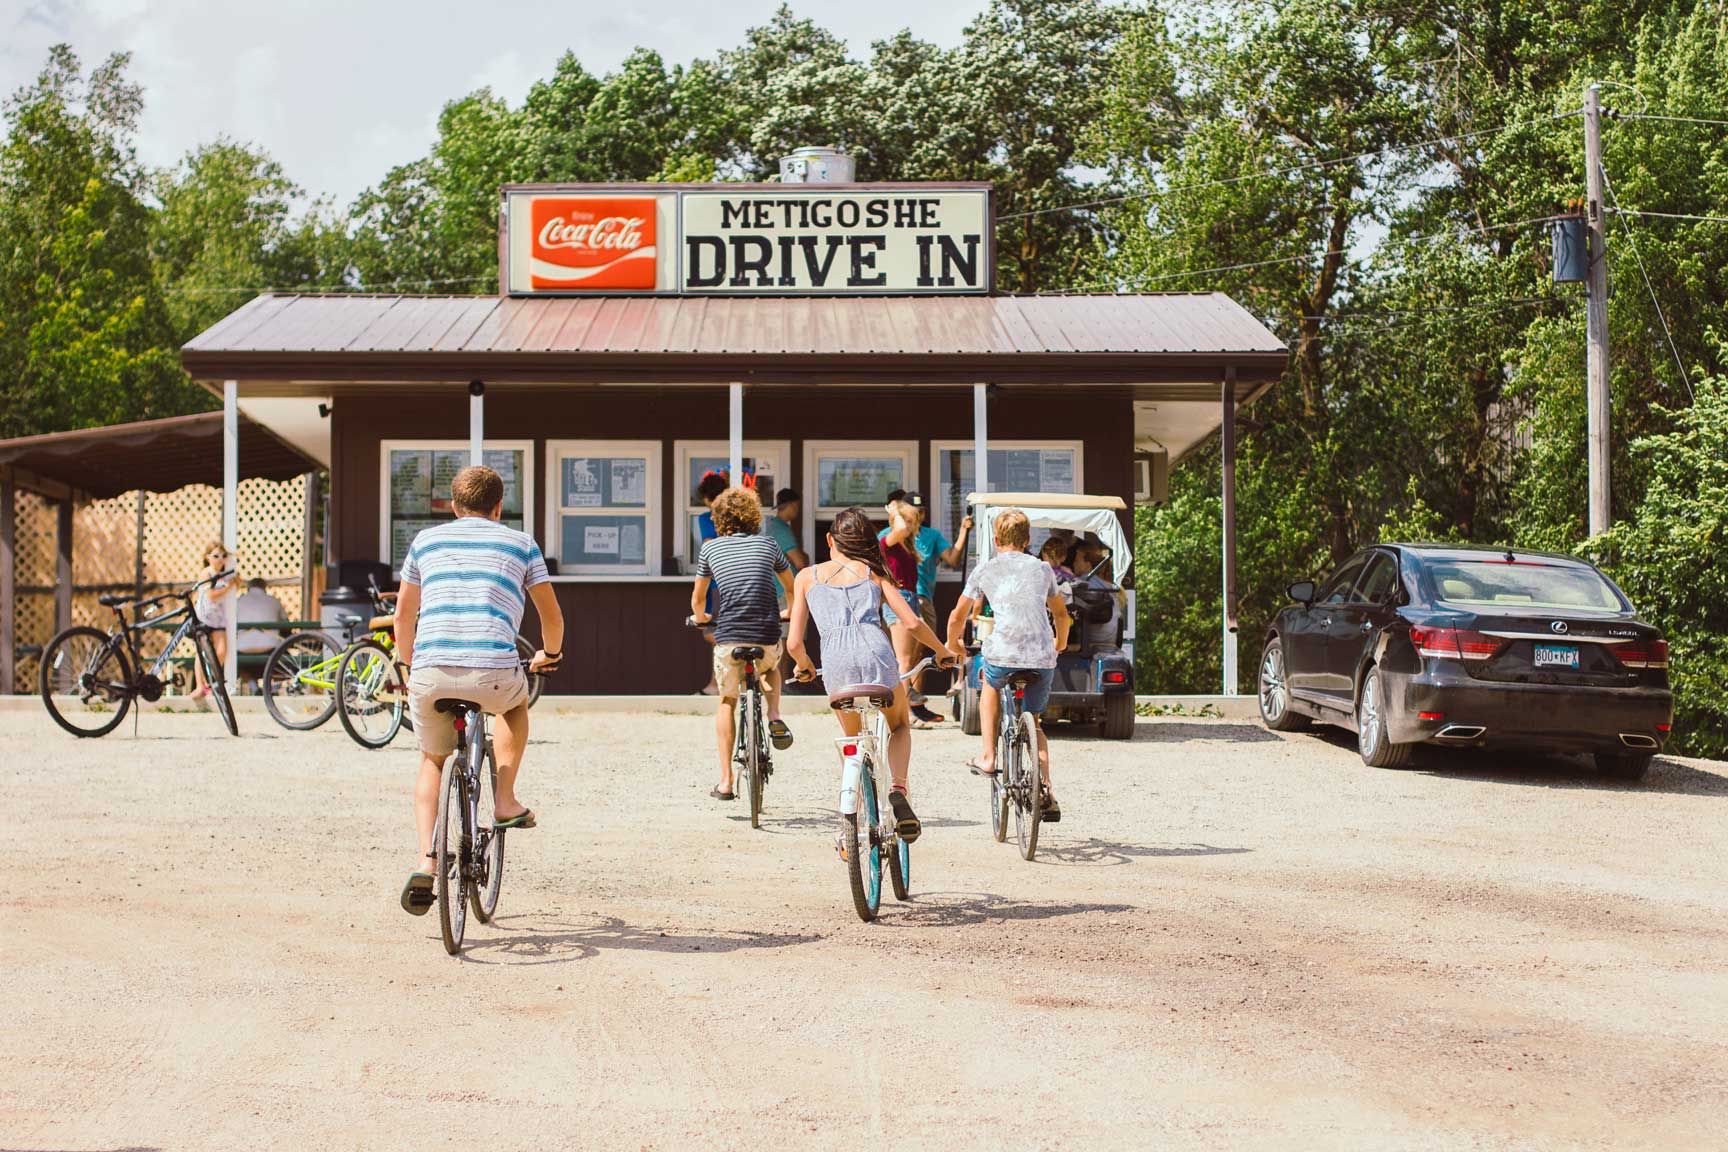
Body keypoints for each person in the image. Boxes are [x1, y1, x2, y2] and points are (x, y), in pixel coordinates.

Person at [394, 465, 564, 917]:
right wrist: (550, 653)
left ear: (454, 507)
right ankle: (505, 799)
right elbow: (551, 616)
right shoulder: (521, 543)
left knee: (432, 760)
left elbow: (403, 615)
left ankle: (427, 861)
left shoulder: (425, 541)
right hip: (492, 669)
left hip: (430, 668)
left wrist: (409, 665)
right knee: (515, 707)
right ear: (499, 507)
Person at [788, 506, 956, 842]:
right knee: (899, 725)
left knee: (852, 742)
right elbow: (912, 622)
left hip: (836, 665)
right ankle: (898, 788)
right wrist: (941, 650)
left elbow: (794, 643)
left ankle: (853, 818)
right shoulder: (874, 572)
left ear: (829, 540)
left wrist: (804, 665)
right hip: (878, 659)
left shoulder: (806, 577)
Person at [945, 508, 1067, 822]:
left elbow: (957, 616)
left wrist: (953, 643)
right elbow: (1061, 614)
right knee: (1035, 724)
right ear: (1028, 540)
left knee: (989, 684)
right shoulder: (1043, 569)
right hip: (1041, 655)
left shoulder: (985, 569)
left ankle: (988, 756)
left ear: (996, 540)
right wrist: (1059, 644)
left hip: (1003, 654)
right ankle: (1046, 787)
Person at [691, 486, 797, 801]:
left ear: (719, 518)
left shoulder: (710, 549)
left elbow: (698, 598)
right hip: (766, 632)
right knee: (771, 668)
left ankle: (725, 782)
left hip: (729, 636)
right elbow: (791, 587)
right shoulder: (768, 544)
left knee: (727, 700)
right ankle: (774, 714)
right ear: (753, 516)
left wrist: (701, 617)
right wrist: (789, 611)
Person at [896, 491, 971, 725]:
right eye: (912, 512)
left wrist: (963, 531)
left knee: (920, 654)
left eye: (921, 512)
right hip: (900, 599)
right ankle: (904, 708)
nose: (917, 516)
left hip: (923, 598)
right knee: (904, 656)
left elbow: (952, 559)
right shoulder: (890, 535)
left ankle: (915, 704)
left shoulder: (931, 535)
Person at [189, 540, 237, 699]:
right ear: (207, 557)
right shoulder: (206, 573)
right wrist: (228, 587)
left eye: (223, 556)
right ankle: (199, 686)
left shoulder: (226, 573)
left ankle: (211, 681)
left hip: (219, 618)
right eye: (216, 556)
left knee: (222, 651)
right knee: (202, 652)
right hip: (204, 616)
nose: (220, 559)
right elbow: (211, 595)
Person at [234, 578, 287, 655]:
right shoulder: (274, 600)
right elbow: (285, 623)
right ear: (264, 587)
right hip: (271, 648)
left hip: (241, 648)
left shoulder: (238, 601)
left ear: (248, 588)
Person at [765, 487, 810, 570]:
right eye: (798, 506)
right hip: (784, 578)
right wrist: (805, 557)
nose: (798, 510)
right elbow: (801, 563)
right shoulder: (781, 530)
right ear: (792, 505)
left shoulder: (772, 525)